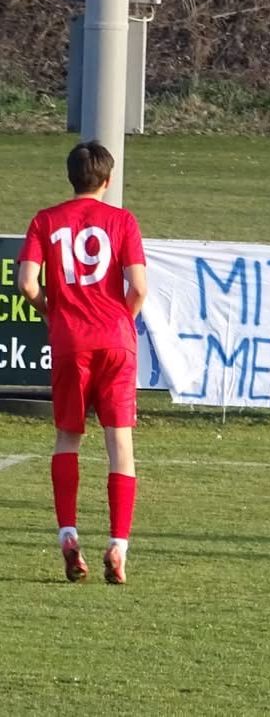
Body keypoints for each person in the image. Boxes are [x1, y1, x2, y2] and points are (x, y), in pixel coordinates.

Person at [17, 141, 147, 584]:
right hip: (116, 340)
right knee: (120, 443)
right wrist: (121, 320)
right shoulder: (123, 220)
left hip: (71, 340)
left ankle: (69, 534)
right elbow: (139, 287)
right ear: (108, 181)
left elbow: (27, 283)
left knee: (67, 437)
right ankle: (118, 544)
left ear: (70, 177)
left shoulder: (45, 220)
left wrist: (52, 312)